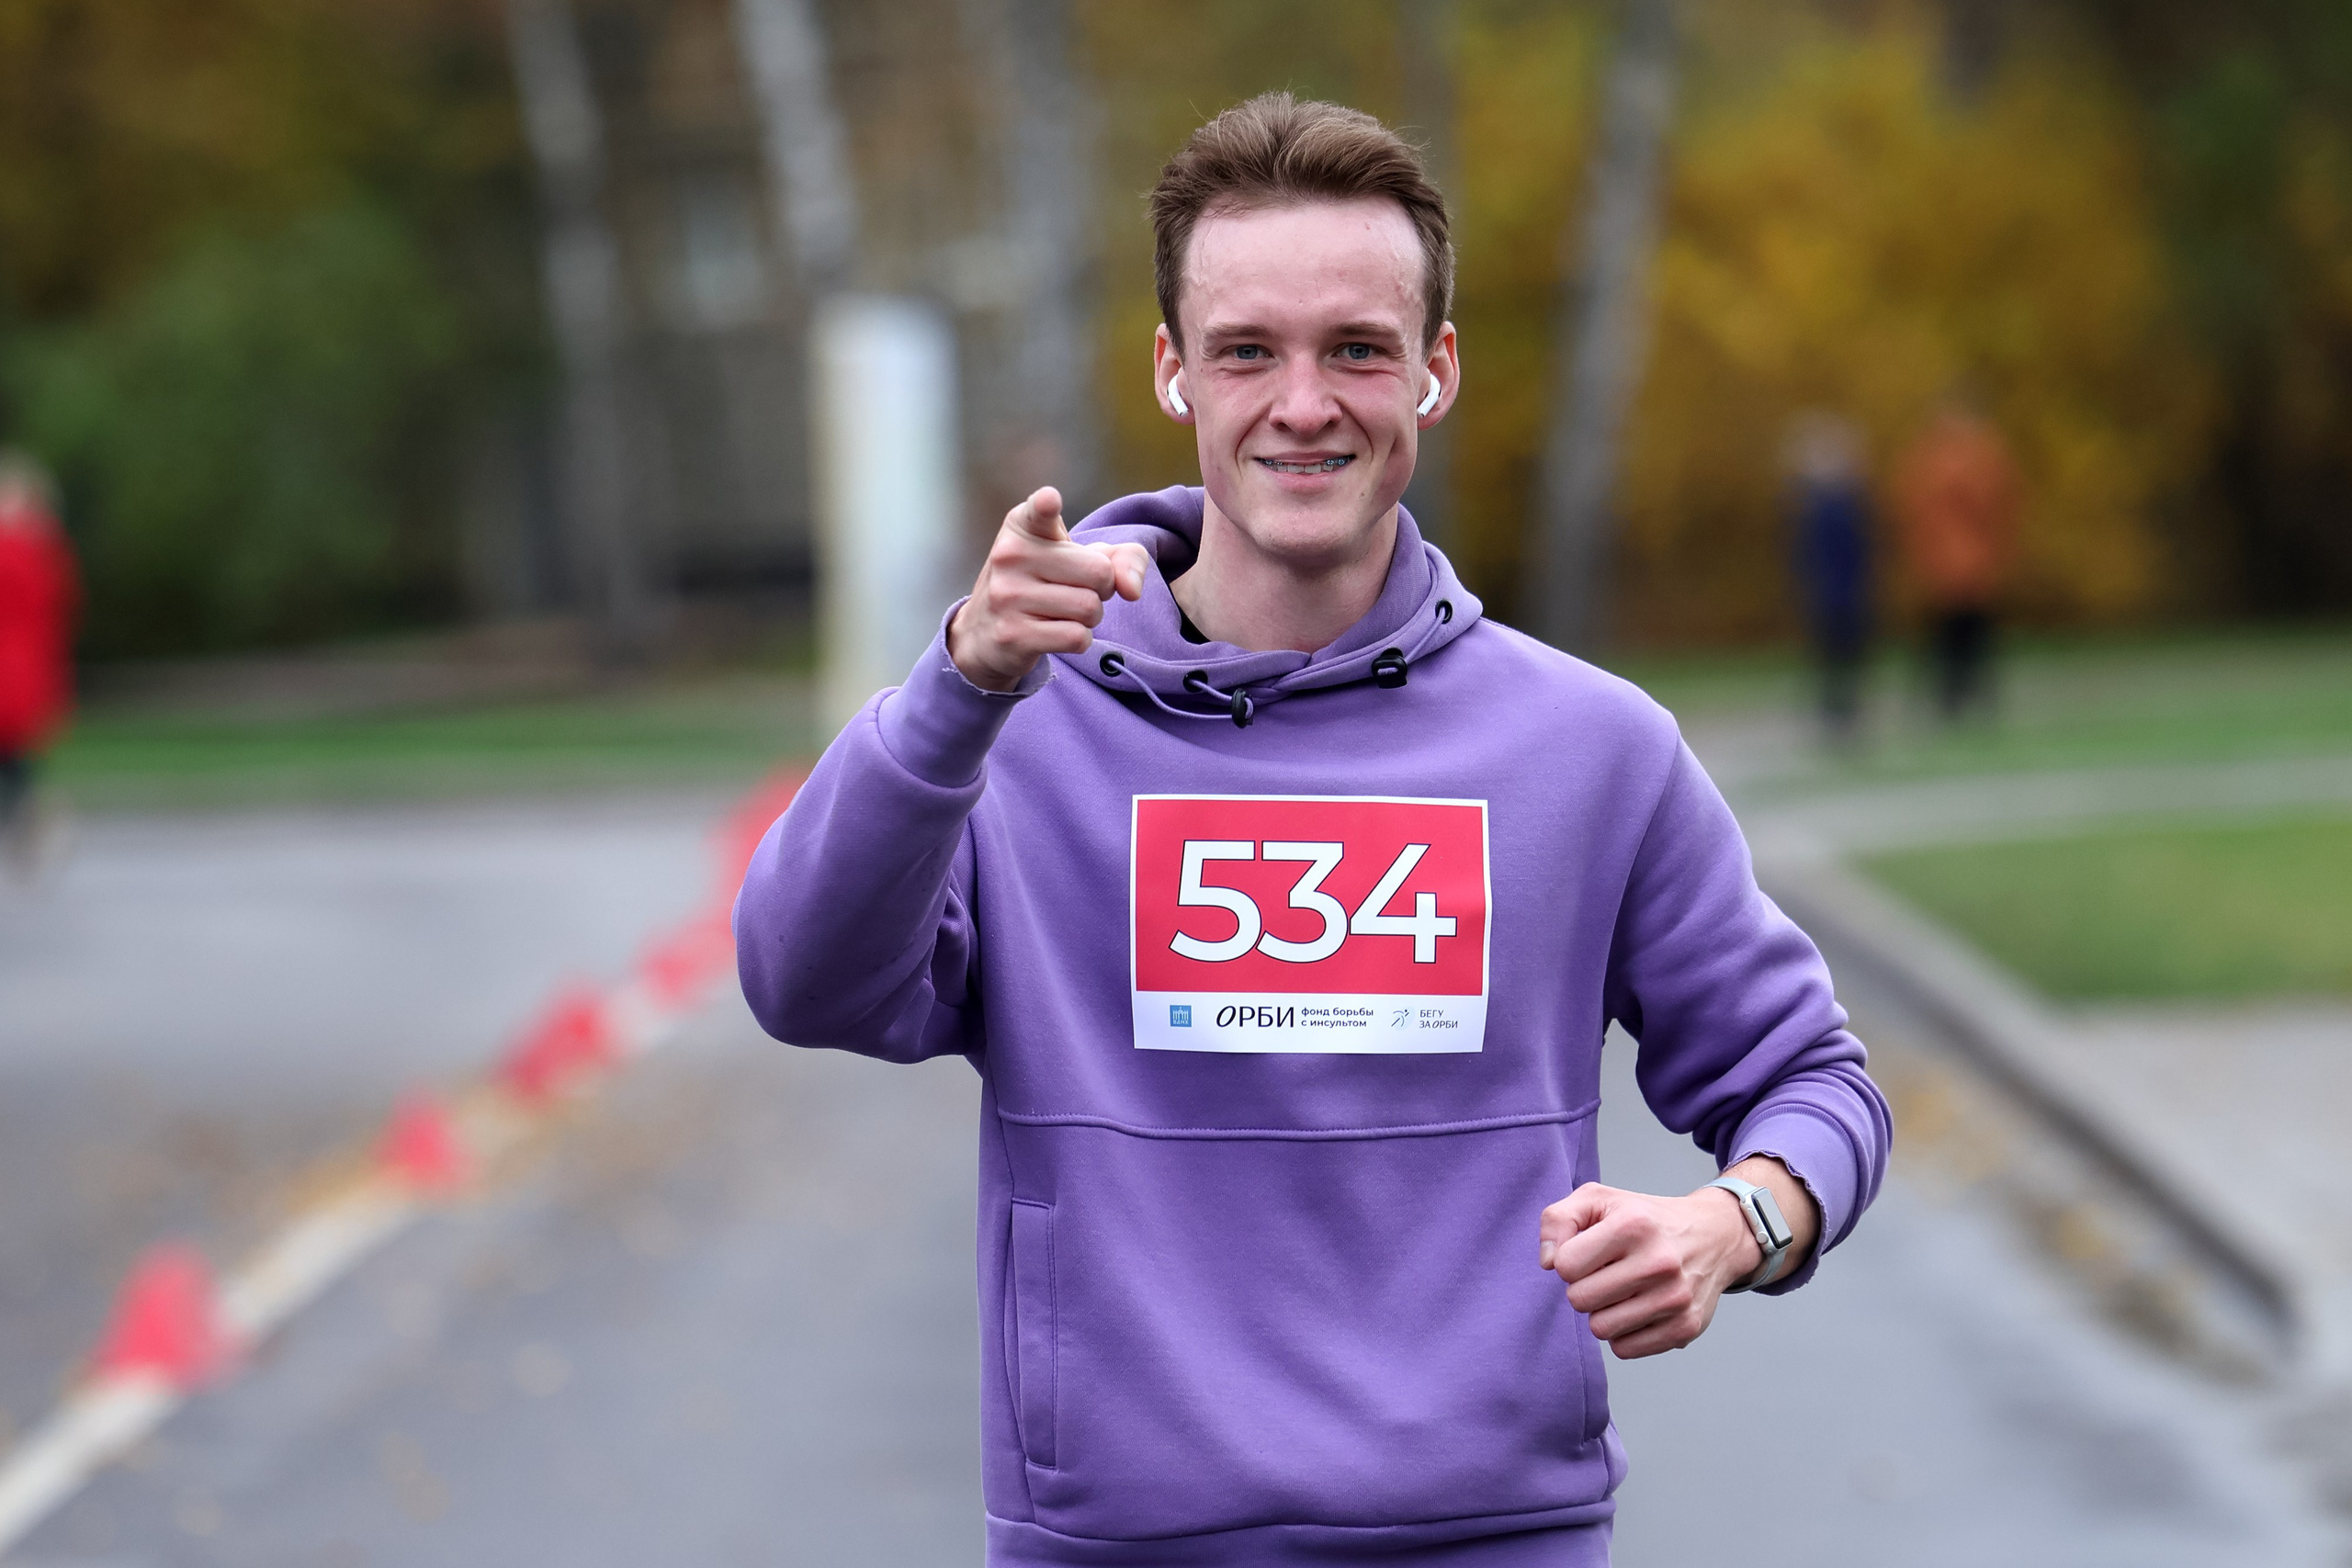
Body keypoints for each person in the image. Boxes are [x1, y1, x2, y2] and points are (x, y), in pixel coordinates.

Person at [735, 95, 1890, 1567]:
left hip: (1500, 1540)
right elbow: (804, 978)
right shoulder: (1014, 724)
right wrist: (958, 684)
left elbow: (1810, 1080)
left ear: (1436, 370)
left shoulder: (1592, 749)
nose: (1303, 402)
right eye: (1246, 351)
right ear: (1173, 371)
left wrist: (1736, 1225)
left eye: (1356, 348)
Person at [1894, 395, 2019, 719]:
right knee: (1958, 636)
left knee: (1962, 636)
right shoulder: (1969, 458)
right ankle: (1960, 698)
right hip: (1959, 563)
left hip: (1960, 563)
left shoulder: (1933, 458)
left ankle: (1959, 699)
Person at [0, 451, 79, 873]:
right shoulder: (50, 552)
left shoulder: (13, 550)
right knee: (16, 762)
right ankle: (30, 824)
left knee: (13, 762)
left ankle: (31, 823)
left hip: (10, 673)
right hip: (31, 674)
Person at [1784, 412, 1873, 741]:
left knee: (1846, 655)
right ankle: (1836, 713)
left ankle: (1844, 713)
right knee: (1831, 657)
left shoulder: (1845, 502)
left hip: (1844, 592)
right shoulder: (1814, 504)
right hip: (1827, 593)